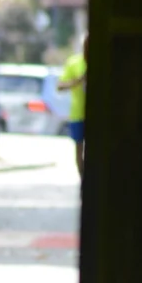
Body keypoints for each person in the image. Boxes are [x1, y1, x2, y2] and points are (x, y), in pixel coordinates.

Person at [58, 34, 89, 178]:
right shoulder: (74, 63)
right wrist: (78, 81)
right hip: (78, 113)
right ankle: (83, 180)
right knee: (79, 148)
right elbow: (60, 86)